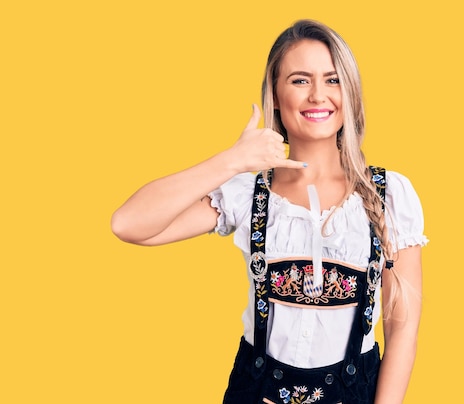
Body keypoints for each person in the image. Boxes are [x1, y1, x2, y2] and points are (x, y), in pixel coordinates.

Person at [111, 19, 428, 404]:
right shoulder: (249, 193)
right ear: (275, 94)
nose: (317, 95)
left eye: (332, 79)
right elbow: (129, 224)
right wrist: (230, 161)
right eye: (299, 80)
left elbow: (401, 327)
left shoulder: (389, 195)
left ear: (350, 90)